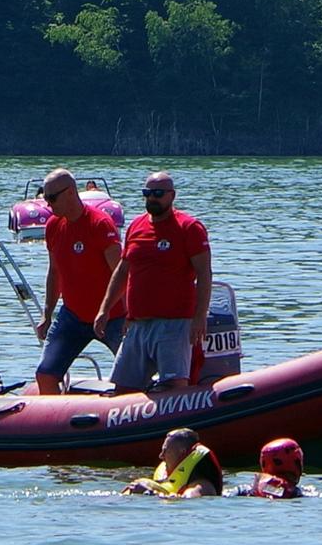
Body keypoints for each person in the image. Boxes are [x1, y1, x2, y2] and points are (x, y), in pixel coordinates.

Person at [96, 172, 211, 393]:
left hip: (174, 324)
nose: (152, 198)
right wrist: (105, 309)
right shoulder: (136, 226)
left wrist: (199, 317)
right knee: (122, 390)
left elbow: (204, 274)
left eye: (158, 193)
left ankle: (179, 426)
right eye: (147, 193)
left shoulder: (189, 228)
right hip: (138, 324)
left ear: (172, 196)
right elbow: (122, 270)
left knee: (173, 388)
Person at [32, 168, 126, 394]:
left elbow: (122, 273)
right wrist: (47, 313)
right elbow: (54, 272)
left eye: (52, 198)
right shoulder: (53, 226)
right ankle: (55, 425)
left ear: (71, 193)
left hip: (112, 317)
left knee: (129, 379)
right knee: (45, 374)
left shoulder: (99, 224)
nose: (48, 204)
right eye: (45, 199)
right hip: (73, 316)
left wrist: (127, 314)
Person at [122, 428, 223, 498]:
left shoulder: (201, 487)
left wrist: (148, 493)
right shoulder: (167, 475)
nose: (161, 456)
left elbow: (187, 503)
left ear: (182, 452)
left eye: (165, 451)